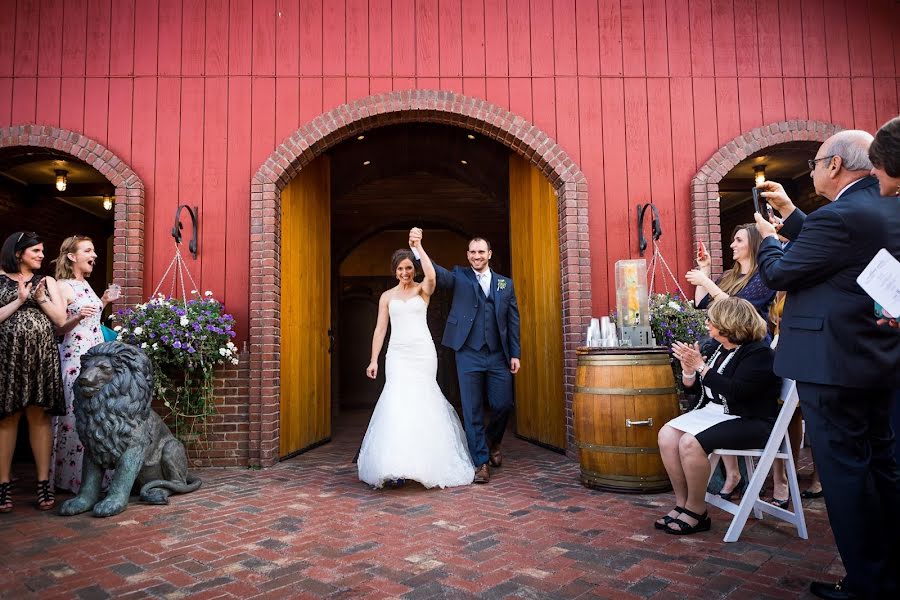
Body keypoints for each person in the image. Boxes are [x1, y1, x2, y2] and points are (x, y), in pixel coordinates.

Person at [754, 129, 900, 600]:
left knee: (845, 479)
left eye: (816, 163)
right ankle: (887, 573)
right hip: (877, 359)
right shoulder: (882, 208)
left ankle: (865, 584)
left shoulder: (839, 217)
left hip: (831, 366)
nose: (813, 171)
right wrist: (793, 216)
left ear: (834, 165)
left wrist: (769, 239)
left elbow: (779, 273)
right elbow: (844, 251)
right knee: (881, 469)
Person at [655, 297, 780, 535]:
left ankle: (696, 510)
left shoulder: (759, 353)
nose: (707, 323)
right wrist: (690, 371)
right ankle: (682, 503)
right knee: (667, 435)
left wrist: (702, 367)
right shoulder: (720, 349)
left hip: (750, 420)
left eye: (711, 320)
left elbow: (737, 393)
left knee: (690, 443)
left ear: (728, 324)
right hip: (716, 412)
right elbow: (698, 391)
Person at [356, 244, 475, 489]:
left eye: (409, 267)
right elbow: (380, 329)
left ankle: (425, 463)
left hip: (422, 353)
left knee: (423, 400)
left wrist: (418, 248)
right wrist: (373, 359)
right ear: (394, 271)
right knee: (397, 402)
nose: (405, 272)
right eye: (400, 268)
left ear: (414, 268)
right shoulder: (387, 297)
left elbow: (432, 276)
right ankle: (395, 465)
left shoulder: (423, 290)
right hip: (397, 355)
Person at [408, 228, 520, 484]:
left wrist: (515, 353)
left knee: (503, 404)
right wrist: (418, 249)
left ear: (489, 254)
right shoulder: (459, 276)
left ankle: (493, 442)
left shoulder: (505, 284)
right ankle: (480, 462)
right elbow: (434, 272)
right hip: (468, 353)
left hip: (498, 355)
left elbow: (513, 320)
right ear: (467, 255)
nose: (476, 256)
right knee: (472, 409)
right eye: (472, 252)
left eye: (481, 252)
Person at [687, 223, 776, 500]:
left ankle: (744, 476)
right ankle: (731, 473)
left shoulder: (763, 276)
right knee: (710, 398)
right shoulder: (730, 275)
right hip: (723, 344)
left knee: (732, 397)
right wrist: (704, 271)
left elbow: (738, 311)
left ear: (752, 242)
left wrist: (707, 282)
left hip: (748, 346)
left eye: (738, 240)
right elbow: (702, 304)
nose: (732, 245)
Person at [0, 232, 67, 513]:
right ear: (18, 253)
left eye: (42, 250)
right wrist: (19, 300)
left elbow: (61, 320)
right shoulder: (0, 278)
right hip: (8, 359)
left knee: (39, 418)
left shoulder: (48, 282)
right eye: (36, 251)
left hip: (41, 358)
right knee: (7, 419)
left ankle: (43, 484)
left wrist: (39, 299)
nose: (41, 255)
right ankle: (3, 486)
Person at [50, 235, 117, 494]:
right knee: (74, 416)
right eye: (88, 250)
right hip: (74, 359)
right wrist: (77, 315)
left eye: (94, 250)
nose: (95, 255)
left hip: (95, 359)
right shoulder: (61, 286)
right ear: (71, 256)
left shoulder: (85, 284)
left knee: (96, 416)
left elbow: (91, 318)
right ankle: (72, 479)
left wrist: (103, 301)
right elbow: (57, 327)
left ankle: (97, 478)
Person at [767, 291, 822, 506]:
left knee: (814, 415)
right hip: (785, 350)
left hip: (809, 351)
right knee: (791, 416)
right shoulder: (778, 286)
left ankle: (819, 478)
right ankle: (792, 468)